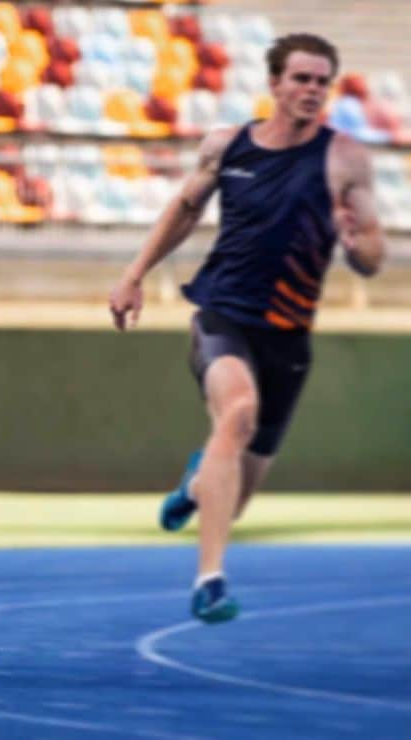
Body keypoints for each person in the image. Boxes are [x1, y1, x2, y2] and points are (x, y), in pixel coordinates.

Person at [108, 34, 385, 623]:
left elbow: (370, 258)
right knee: (237, 414)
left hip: (287, 338)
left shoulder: (346, 159)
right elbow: (184, 209)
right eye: (301, 79)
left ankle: (195, 485)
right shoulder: (228, 146)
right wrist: (133, 276)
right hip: (222, 315)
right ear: (276, 84)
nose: (311, 90)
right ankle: (210, 581)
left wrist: (356, 237)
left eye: (321, 81)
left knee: (231, 498)